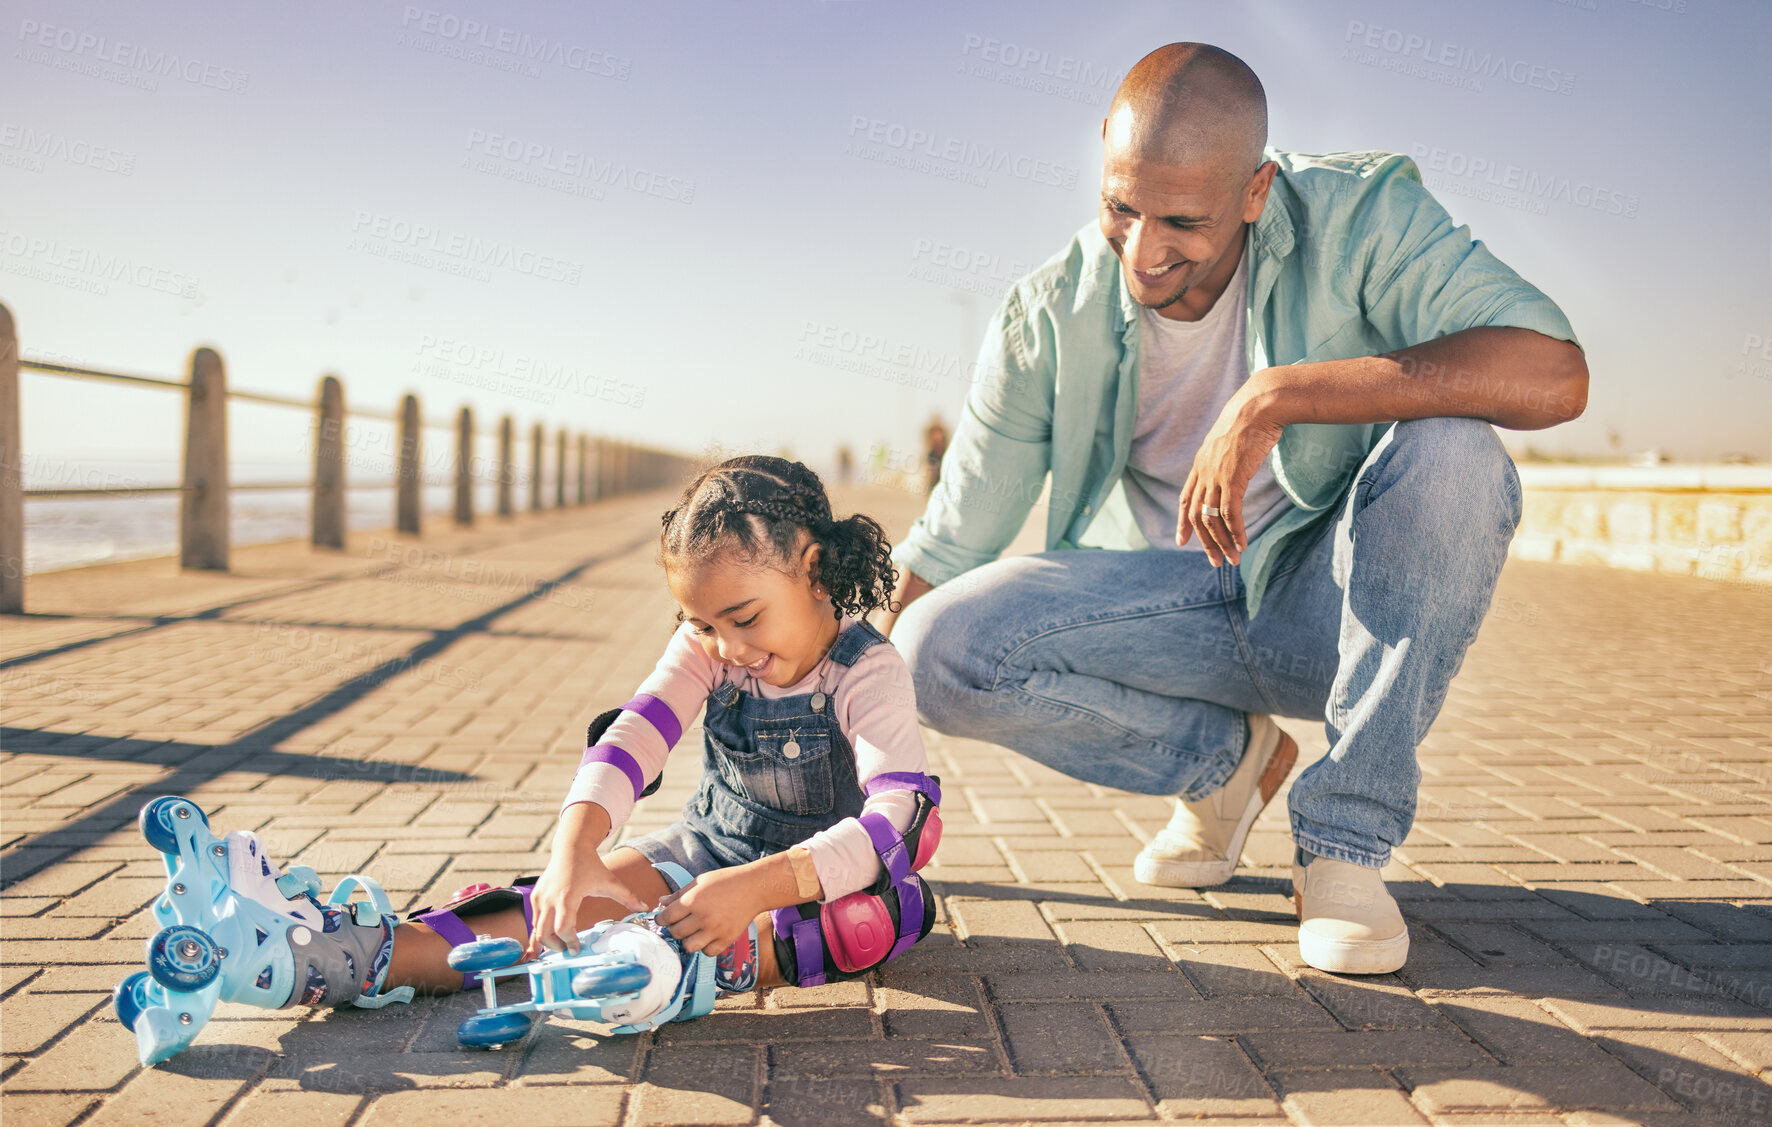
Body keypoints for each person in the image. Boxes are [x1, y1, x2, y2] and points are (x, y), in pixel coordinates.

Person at [880, 44, 1587, 975]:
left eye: (1182, 221)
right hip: (1171, 604)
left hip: (1328, 600)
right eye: (1121, 207)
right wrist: (836, 728)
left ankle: (1345, 843)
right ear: (1103, 150)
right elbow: (952, 535)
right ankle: (1226, 768)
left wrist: (1281, 394)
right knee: (928, 648)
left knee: (1457, 451)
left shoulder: (1360, 218)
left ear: (1255, 192)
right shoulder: (1047, 313)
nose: (1142, 251)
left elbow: (1554, 371)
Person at [118, 456, 943, 1065]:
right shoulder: (706, 648)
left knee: (860, 920)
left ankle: (678, 966)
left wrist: (757, 888)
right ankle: (316, 958)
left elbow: (893, 820)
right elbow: (632, 737)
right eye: (702, 624)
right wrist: (573, 852)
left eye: (743, 617)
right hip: (708, 850)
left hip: (820, 878)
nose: (725, 646)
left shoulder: (867, 670)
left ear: (809, 567)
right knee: (555, 910)